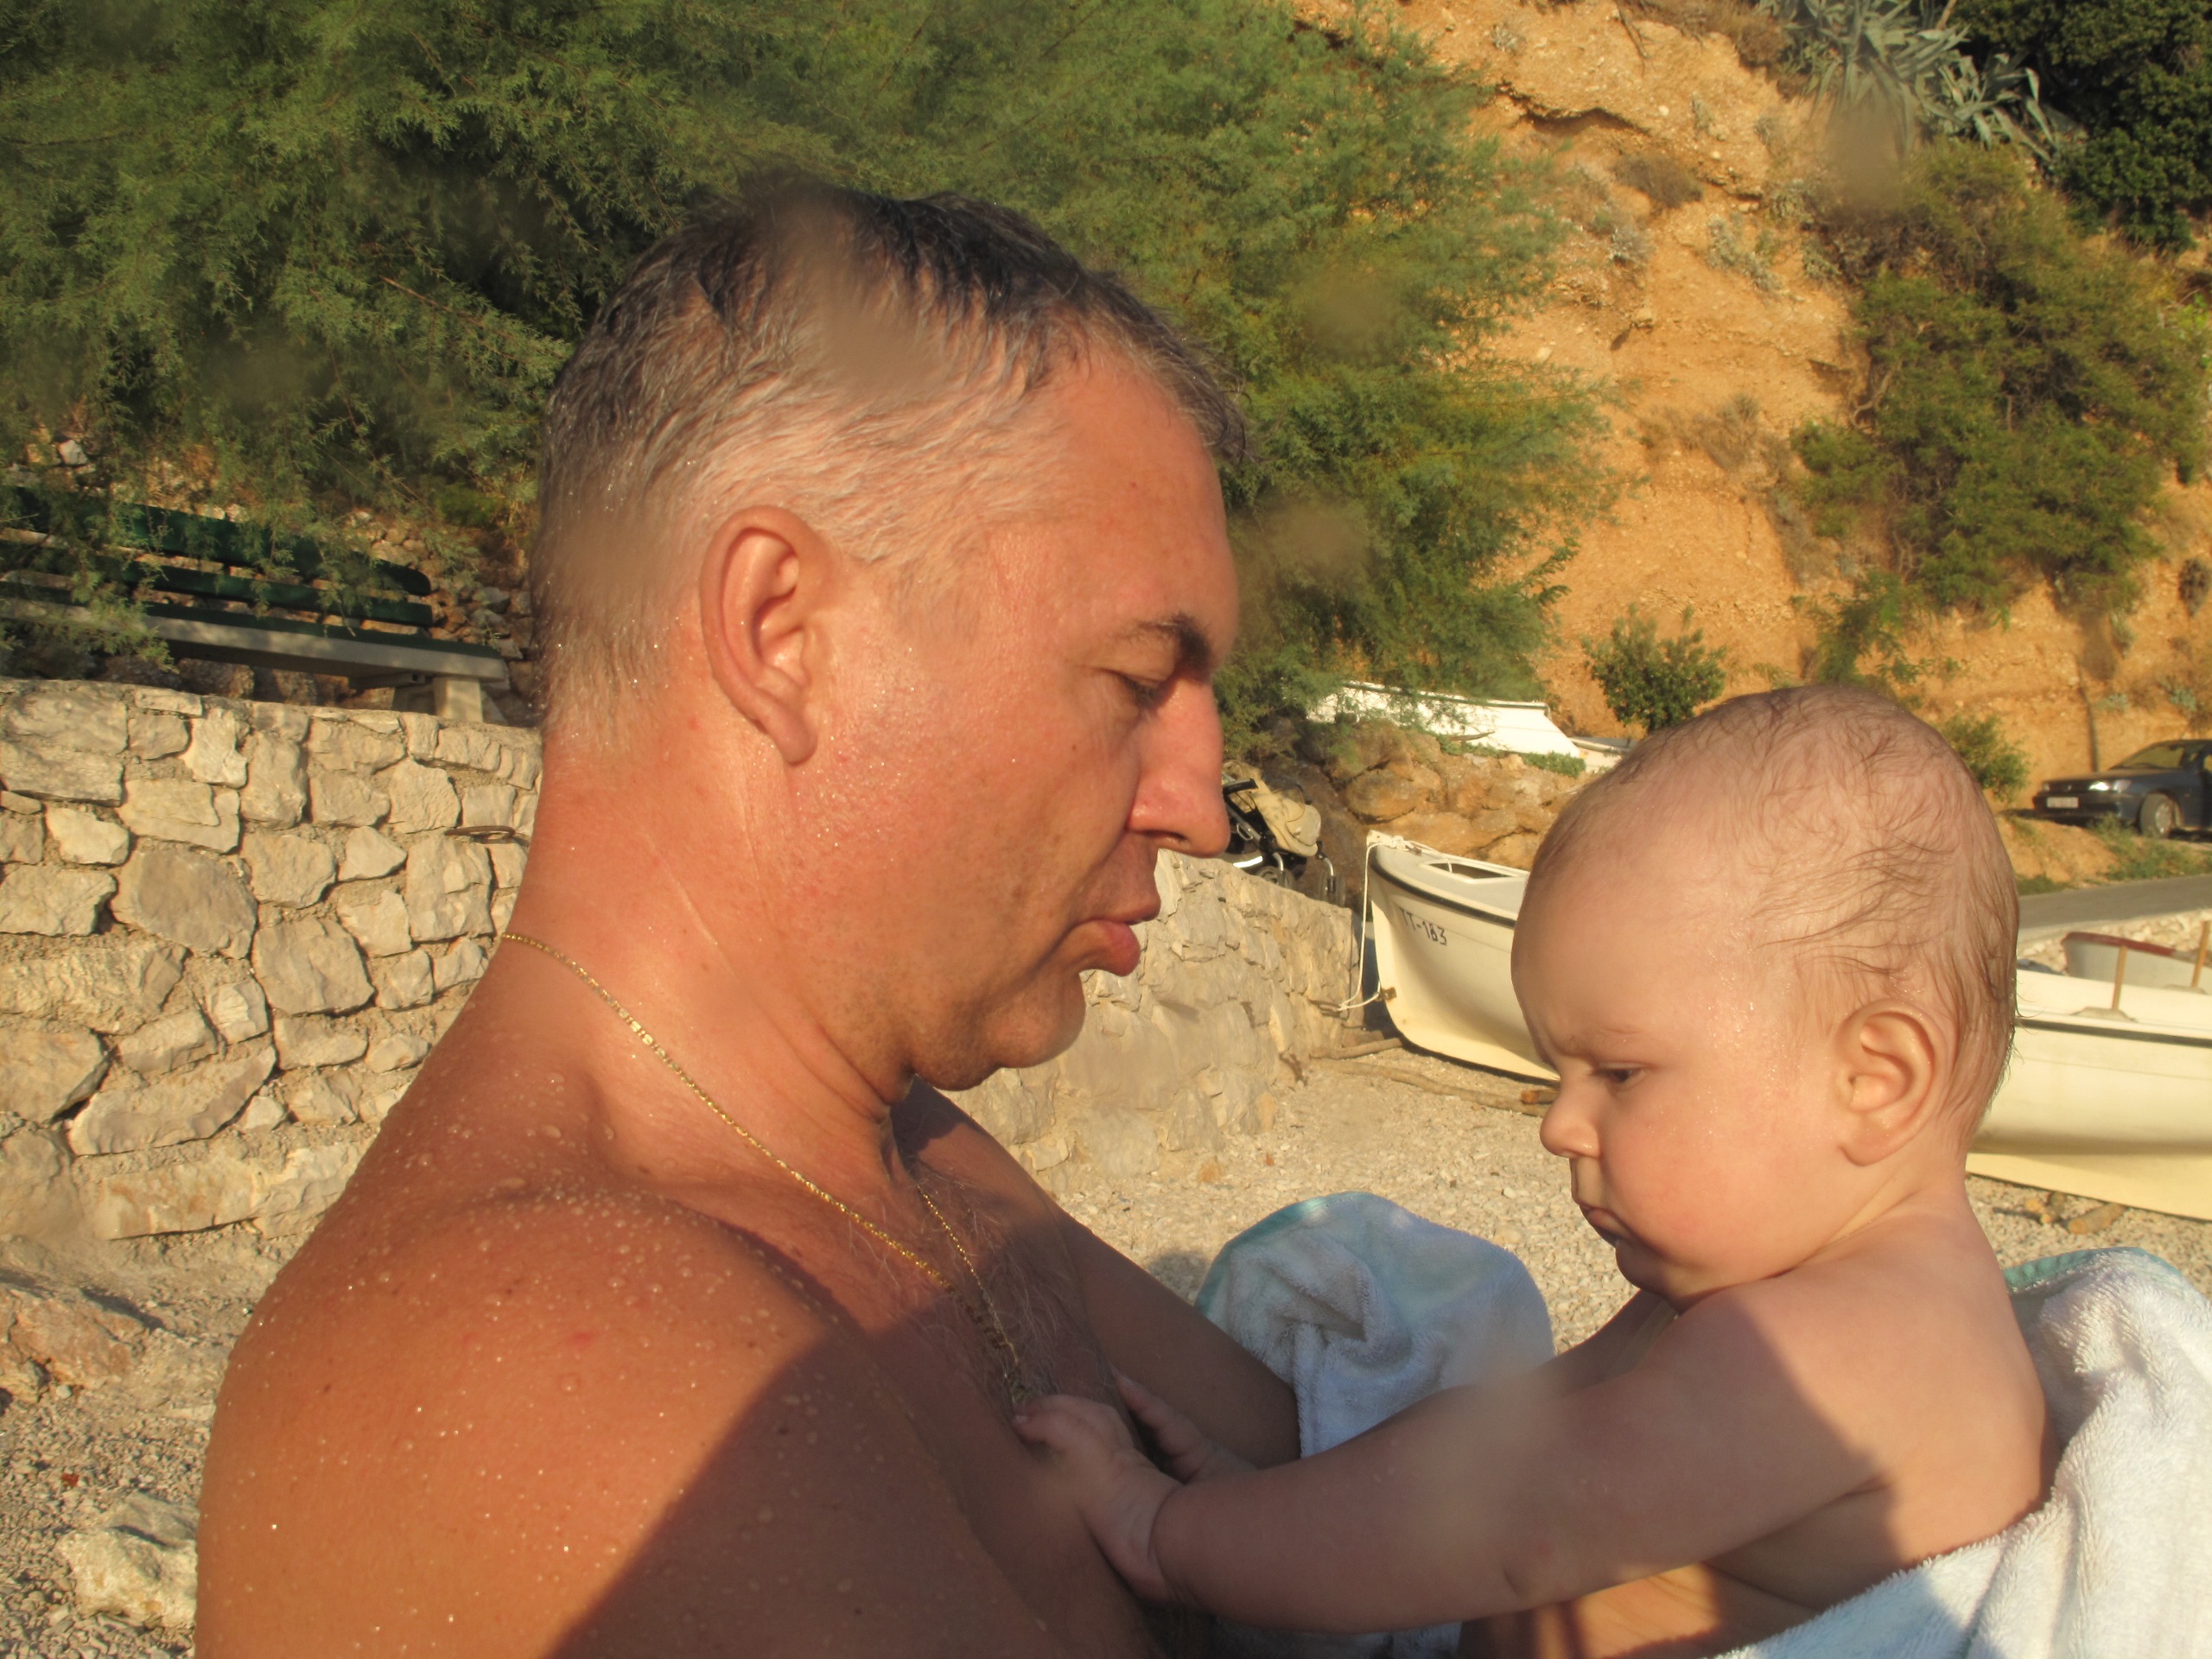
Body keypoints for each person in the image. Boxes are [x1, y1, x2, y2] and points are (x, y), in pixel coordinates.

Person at [195, 180, 1300, 1656]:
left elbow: (1335, 1476)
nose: (1202, 809)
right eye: (1134, 681)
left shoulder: (897, 1146)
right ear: (782, 632)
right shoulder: (551, 1354)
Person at [1015, 686, 2050, 1659]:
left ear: (1873, 1080)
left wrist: (1170, 1538)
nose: (1560, 1126)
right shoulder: (1752, 1304)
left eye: (1620, 1073)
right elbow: (1490, 1447)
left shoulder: (1852, 1348)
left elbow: (1520, 1523)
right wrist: (1254, 1512)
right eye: (1559, 1073)